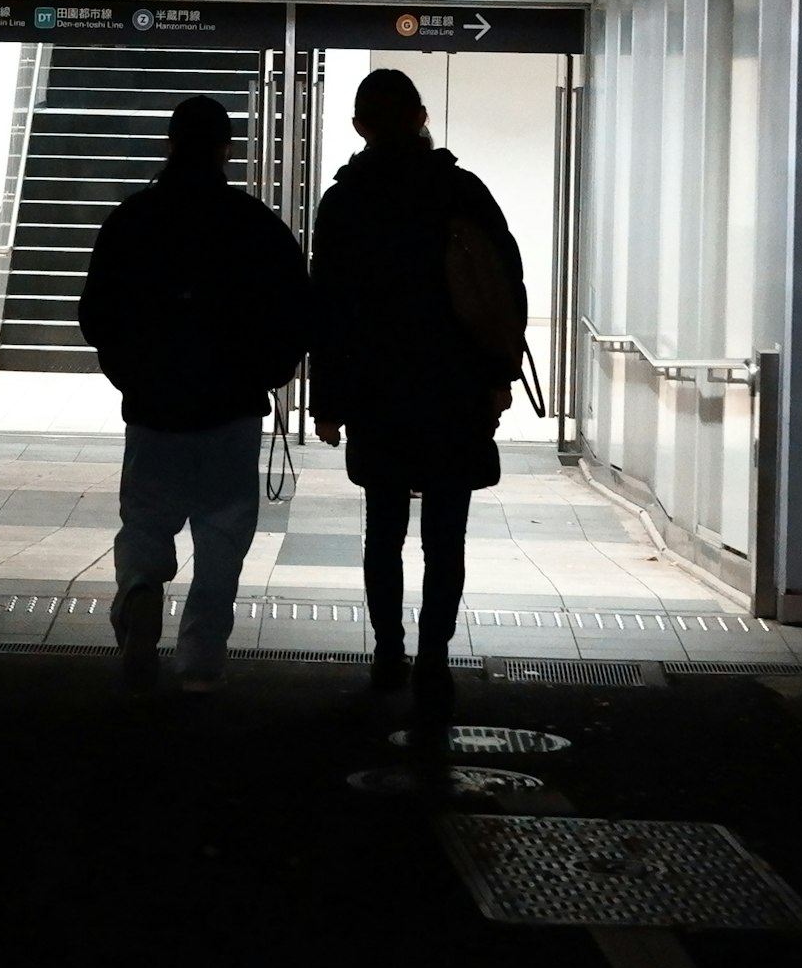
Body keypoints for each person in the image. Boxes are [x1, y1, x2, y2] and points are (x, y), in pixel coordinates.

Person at [308, 67, 526, 713]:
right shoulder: (462, 191)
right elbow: (502, 285)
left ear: (360, 127)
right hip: (453, 387)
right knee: (445, 534)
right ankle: (434, 655)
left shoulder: (345, 201)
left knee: (383, 528)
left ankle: (386, 651)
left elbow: (330, 307)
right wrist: (497, 376)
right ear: (422, 114)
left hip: (378, 390)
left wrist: (328, 401)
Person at [77, 95, 310, 693]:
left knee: (147, 519)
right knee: (223, 531)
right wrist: (268, 373)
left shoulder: (132, 219)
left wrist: (131, 374)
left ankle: (139, 593)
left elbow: (95, 313)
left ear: (170, 144)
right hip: (230, 407)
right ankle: (200, 657)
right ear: (226, 150)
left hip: (154, 407)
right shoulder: (255, 225)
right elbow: (295, 311)